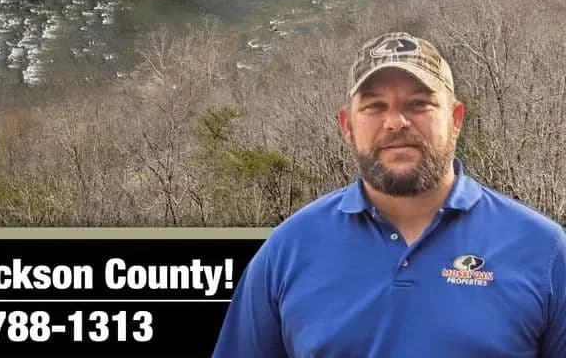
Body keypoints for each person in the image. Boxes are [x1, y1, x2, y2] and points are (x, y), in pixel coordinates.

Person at [212, 32, 566, 357]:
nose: (396, 122)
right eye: (375, 106)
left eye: (419, 104)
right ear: (347, 126)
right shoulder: (287, 251)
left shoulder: (543, 251)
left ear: (456, 119)